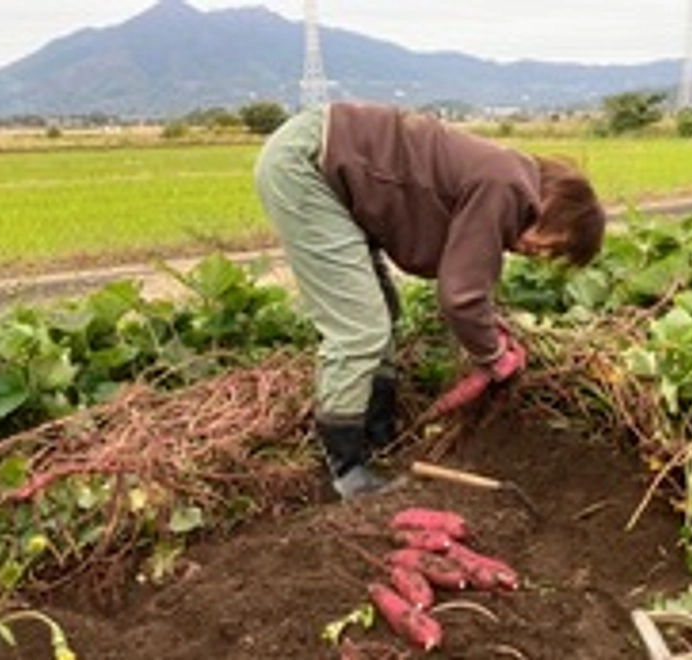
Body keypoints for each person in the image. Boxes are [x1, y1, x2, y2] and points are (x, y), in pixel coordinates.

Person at [254, 102, 606, 499]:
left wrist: (487, 327)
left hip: (327, 161)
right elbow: (461, 295)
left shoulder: (507, 178)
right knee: (359, 327)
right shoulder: (508, 186)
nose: (538, 254)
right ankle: (346, 469)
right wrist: (493, 357)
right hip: (309, 165)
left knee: (383, 312)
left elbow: (465, 276)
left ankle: (378, 432)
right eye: (553, 245)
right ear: (557, 209)